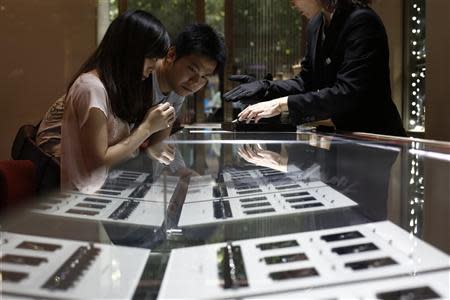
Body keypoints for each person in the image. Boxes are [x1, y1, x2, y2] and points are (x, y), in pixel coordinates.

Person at [36, 23, 226, 165]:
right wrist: (147, 131)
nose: (195, 83)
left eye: (204, 77)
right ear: (171, 55)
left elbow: (157, 144)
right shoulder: (137, 74)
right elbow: (101, 155)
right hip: (56, 153)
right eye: (192, 69)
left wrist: (180, 173)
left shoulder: (178, 90)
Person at [224, 0, 407, 137]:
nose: (292, 3)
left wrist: (280, 104)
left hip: (375, 138)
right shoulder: (315, 25)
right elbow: (306, 82)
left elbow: (348, 92)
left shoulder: (362, 21)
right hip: (343, 136)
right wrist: (266, 87)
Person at [58, 10, 175, 192]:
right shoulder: (91, 88)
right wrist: (147, 128)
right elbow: (99, 162)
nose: (154, 66)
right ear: (131, 51)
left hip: (106, 196)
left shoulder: (111, 88)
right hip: (85, 205)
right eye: (151, 58)